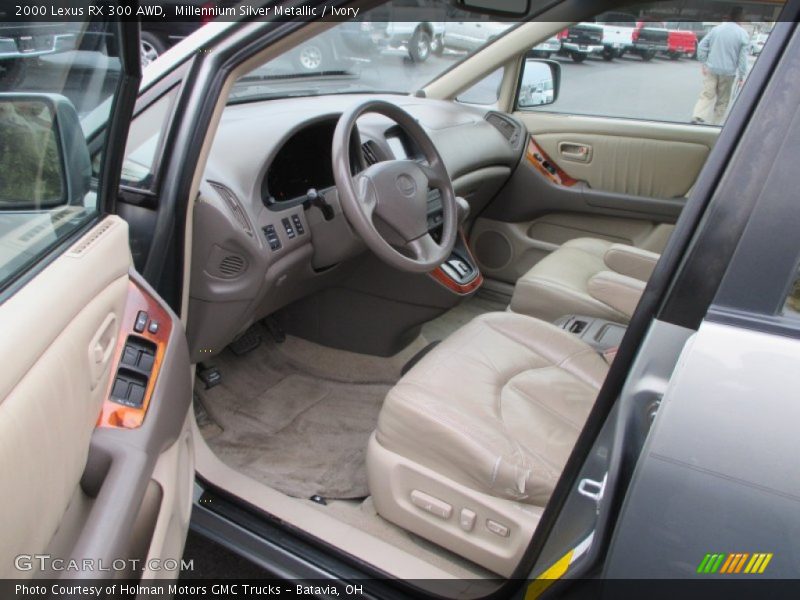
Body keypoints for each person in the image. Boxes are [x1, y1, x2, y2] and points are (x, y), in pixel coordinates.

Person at [691, 7, 750, 125]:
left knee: (707, 94)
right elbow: (743, 58)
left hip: (712, 69)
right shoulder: (743, 34)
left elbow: (702, 45)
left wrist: (704, 63)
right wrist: (742, 75)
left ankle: (698, 116)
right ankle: (715, 124)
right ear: (740, 17)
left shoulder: (716, 29)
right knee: (723, 100)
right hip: (728, 72)